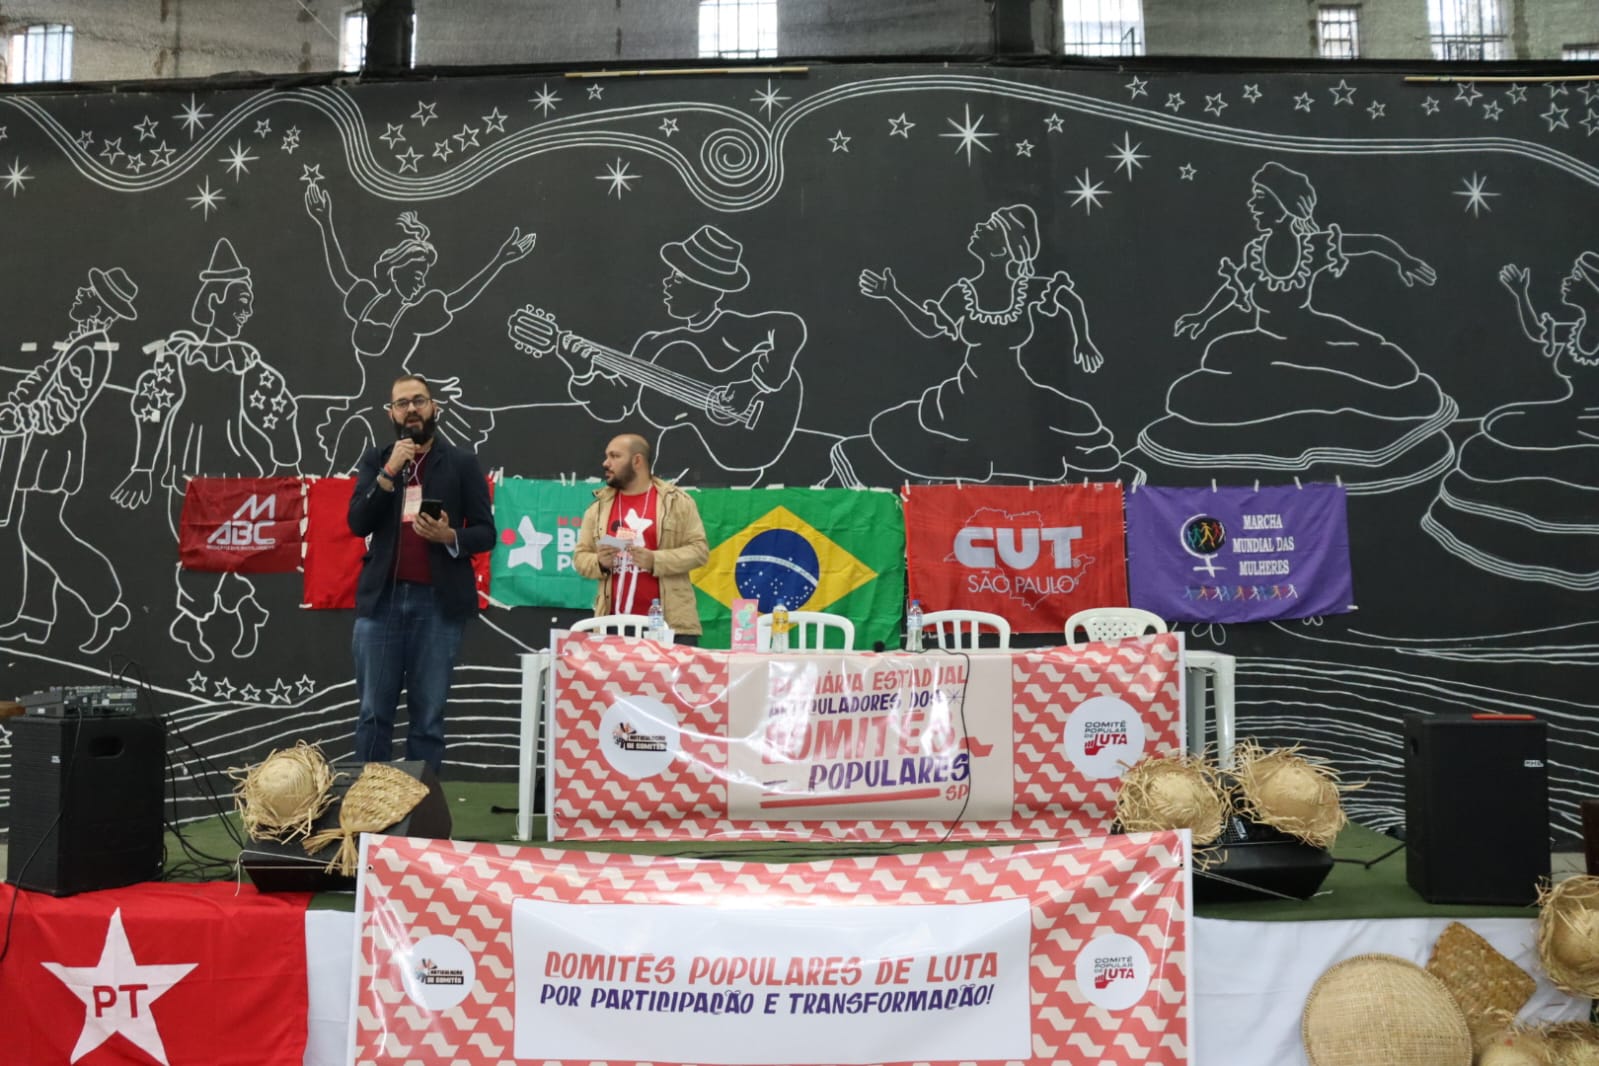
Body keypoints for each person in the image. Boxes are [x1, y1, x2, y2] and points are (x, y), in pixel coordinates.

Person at [834, 202, 1120, 485]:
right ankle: (977, 465)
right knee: (897, 427)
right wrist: (892, 294)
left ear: (1001, 248)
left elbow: (1068, 299)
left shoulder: (1027, 288)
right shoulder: (963, 293)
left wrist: (1083, 341)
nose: (980, 226)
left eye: (991, 227)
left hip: (1017, 389)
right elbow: (930, 326)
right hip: (969, 391)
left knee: (1081, 419)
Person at [110, 238, 300, 662]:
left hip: (232, 468)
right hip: (185, 469)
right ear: (215, 301)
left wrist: (287, 463)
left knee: (225, 547)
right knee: (198, 549)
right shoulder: (179, 355)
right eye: (241, 302)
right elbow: (151, 408)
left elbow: (277, 408)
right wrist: (142, 467)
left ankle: (199, 616)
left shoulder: (244, 359)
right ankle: (237, 604)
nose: (247, 312)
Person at [552, 224, 806, 482]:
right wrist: (583, 374)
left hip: (732, 467)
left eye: (679, 278)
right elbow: (618, 403)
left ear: (708, 287)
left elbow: (790, 328)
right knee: (672, 445)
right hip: (677, 474)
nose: (666, 283)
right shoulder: (654, 344)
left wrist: (752, 388)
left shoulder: (734, 329)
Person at [347, 373, 494, 773]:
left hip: (438, 605)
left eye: (419, 401)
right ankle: (368, 805)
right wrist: (389, 472)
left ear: (434, 408)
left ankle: (419, 809)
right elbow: (358, 522)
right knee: (372, 713)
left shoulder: (461, 462)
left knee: (428, 718)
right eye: (402, 403)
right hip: (382, 602)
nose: (411, 409)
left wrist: (450, 536)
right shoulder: (377, 460)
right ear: (391, 413)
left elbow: (486, 532)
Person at [0, 266, 139, 652]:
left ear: (101, 308)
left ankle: (106, 604)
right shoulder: (79, 342)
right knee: (35, 525)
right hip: (43, 448)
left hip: (54, 450)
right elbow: (43, 379)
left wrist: (21, 418)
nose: (80, 293)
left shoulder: (90, 349)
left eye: (88, 292)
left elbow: (62, 406)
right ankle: (36, 618)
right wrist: (16, 405)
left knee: (39, 531)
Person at [573, 433, 708, 642]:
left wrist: (655, 560)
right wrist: (599, 562)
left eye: (614, 456)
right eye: (607, 456)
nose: (606, 463)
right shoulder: (598, 507)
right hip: (612, 626)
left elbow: (699, 551)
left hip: (670, 626)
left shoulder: (676, 502)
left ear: (637, 461)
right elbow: (580, 557)